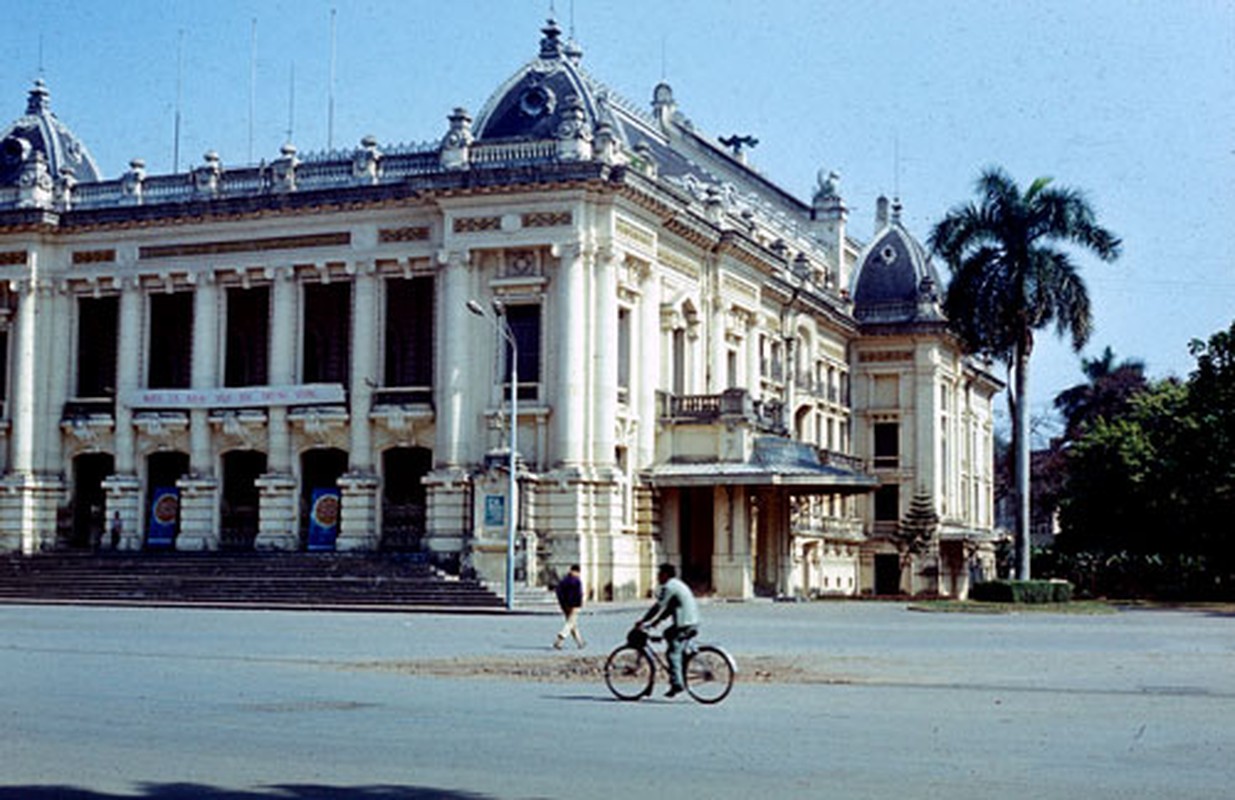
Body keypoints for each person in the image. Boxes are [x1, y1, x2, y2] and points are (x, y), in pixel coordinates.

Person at [637, 562, 700, 697]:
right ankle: (677, 674)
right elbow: (671, 607)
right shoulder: (677, 584)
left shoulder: (669, 587)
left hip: (685, 624)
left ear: (665, 574)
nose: (657, 577)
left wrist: (644, 621)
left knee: (672, 653)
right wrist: (656, 622)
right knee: (668, 635)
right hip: (691, 621)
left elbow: (659, 606)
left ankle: (677, 683)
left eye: (659, 574)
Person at [553, 564, 586, 650]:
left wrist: (562, 603)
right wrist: (579, 604)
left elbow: (558, 592)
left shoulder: (564, 580)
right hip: (574, 605)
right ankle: (560, 638)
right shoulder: (577, 581)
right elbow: (579, 594)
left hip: (565, 605)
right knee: (570, 623)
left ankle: (580, 642)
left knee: (572, 624)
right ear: (577, 571)